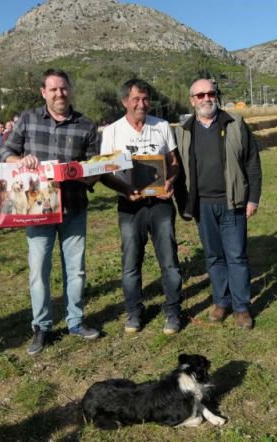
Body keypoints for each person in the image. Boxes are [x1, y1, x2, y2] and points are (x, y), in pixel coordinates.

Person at [0, 68, 101, 355]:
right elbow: (5, 153)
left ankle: (76, 321)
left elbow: (95, 168)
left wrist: (79, 172)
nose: (59, 94)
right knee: (38, 271)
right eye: (53, 89)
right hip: (37, 210)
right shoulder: (28, 120)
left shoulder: (86, 125)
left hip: (74, 207)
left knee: (76, 270)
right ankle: (42, 327)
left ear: (71, 90)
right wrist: (22, 159)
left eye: (64, 88)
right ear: (44, 92)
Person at [174, 78, 262, 329]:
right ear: (192, 100)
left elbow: (253, 164)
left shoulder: (235, 124)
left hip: (232, 203)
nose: (206, 99)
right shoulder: (184, 130)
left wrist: (253, 198)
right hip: (202, 205)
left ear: (217, 96)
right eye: (200, 95)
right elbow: (178, 173)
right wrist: (184, 205)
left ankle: (241, 308)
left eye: (210, 93)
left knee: (236, 256)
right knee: (213, 257)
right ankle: (221, 302)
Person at [99, 79, 182, 334]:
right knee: (131, 262)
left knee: (168, 260)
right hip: (130, 205)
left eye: (145, 99)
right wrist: (124, 189)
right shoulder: (112, 131)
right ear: (125, 101)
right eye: (136, 99)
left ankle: (173, 311)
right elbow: (104, 171)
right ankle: (134, 312)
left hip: (160, 203)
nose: (141, 104)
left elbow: (175, 162)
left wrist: (171, 181)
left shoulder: (162, 126)